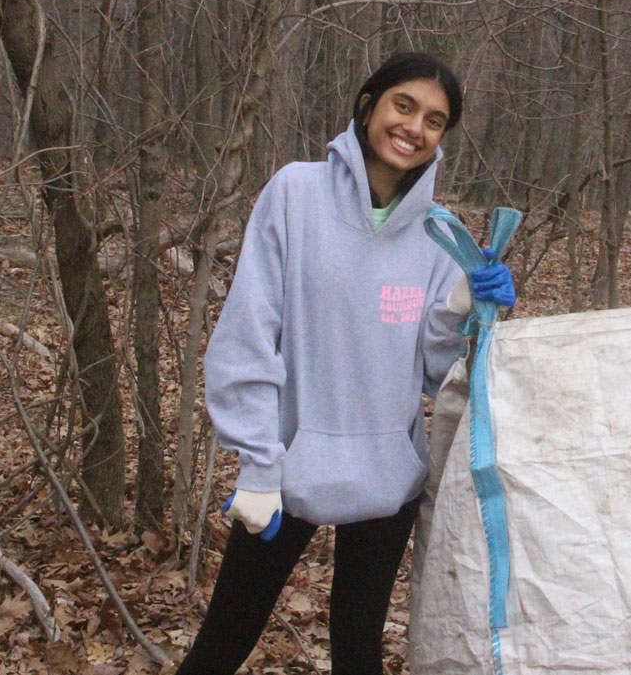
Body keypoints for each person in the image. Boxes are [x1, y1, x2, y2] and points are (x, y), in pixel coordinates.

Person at [177, 51, 515, 675]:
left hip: (387, 479)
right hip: (284, 473)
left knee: (358, 654)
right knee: (221, 646)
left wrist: (461, 306)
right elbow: (249, 331)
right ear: (369, 107)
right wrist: (256, 462)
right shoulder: (295, 194)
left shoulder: (441, 235)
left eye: (435, 120)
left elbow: (432, 372)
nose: (415, 128)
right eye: (404, 106)